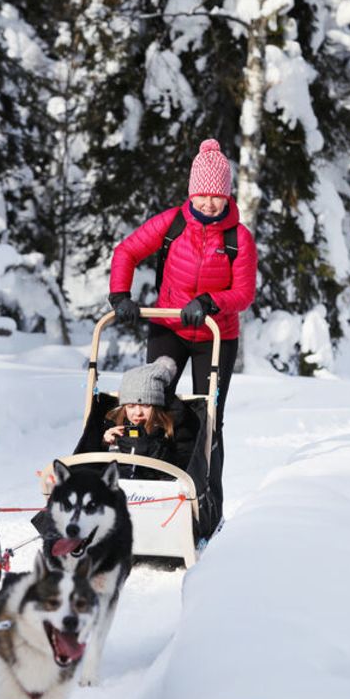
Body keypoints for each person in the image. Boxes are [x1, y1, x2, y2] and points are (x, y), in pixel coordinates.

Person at [107, 138, 256, 506]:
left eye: (216, 196)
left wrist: (209, 302)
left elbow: (244, 294)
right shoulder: (171, 223)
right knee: (150, 404)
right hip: (169, 328)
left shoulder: (239, 238)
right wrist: (120, 295)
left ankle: (207, 502)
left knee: (209, 418)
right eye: (202, 195)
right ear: (191, 194)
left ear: (227, 196)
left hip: (215, 336)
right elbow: (127, 250)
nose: (208, 203)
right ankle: (145, 489)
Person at [104, 356, 179, 474]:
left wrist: (151, 443)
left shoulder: (168, 429)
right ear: (124, 408)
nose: (138, 413)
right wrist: (106, 444)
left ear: (156, 406)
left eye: (145, 405)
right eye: (131, 406)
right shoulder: (113, 425)